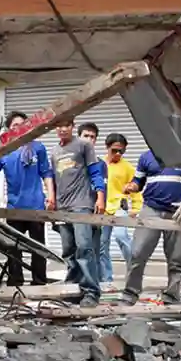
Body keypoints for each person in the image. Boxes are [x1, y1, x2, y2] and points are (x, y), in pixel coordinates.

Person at [121, 150, 181, 305]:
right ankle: (130, 294)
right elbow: (138, 182)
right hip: (151, 210)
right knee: (137, 253)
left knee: (177, 258)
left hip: (178, 212)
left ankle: (171, 296)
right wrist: (132, 186)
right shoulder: (146, 157)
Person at [0, 110, 55, 286]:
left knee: (38, 247)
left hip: (35, 207)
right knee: (13, 247)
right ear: (9, 129)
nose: (19, 128)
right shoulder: (5, 151)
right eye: (15, 125)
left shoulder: (38, 147)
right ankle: (15, 281)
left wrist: (51, 196)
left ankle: (39, 282)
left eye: (23, 124)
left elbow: (46, 172)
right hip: (14, 208)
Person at [50, 118, 105, 307]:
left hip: (81, 204)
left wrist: (100, 197)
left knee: (84, 248)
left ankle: (91, 292)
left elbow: (95, 172)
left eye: (66, 125)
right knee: (69, 251)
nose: (63, 128)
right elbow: (54, 180)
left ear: (72, 127)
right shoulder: (54, 152)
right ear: (55, 128)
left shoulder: (83, 145)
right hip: (62, 207)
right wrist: (52, 202)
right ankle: (73, 289)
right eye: (59, 125)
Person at [99, 133, 142, 282]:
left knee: (121, 236)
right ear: (107, 147)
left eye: (121, 151)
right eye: (114, 150)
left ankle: (134, 271)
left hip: (119, 207)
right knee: (102, 245)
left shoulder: (127, 167)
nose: (118, 153)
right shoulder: (99, 164)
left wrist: (135, 208)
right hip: (102, 208)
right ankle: (106, 279)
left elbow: (136, 189)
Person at [77, 123, 108, 268]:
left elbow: (104, 187)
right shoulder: (71, 160)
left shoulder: (100, 164)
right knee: (73, 250)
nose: (89, 139)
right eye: (85, 136)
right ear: (78, 137)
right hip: (72, 209)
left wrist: (101, 206)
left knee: (93, 251)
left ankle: (94, 281)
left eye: (92, 137)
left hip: (93, 210)